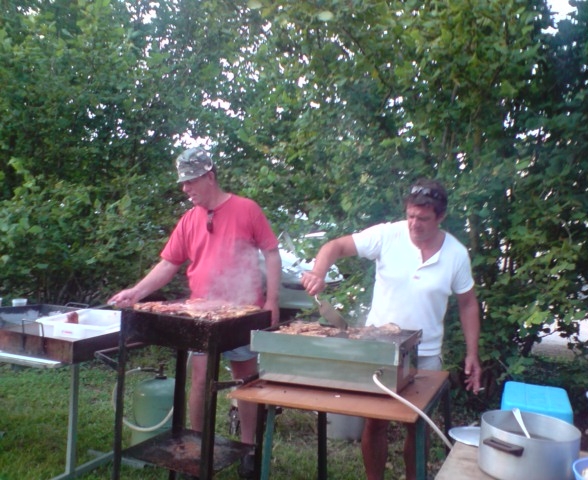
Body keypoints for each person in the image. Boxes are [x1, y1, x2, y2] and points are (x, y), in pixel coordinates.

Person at [109, 147, 281, 478]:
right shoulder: (189, 220)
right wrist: (137, 292)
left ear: (209, 176)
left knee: (245, 379)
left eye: (190, 182)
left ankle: (250, 449)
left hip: (243, 310)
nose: (185, 189)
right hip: (201, 315)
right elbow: (168, 264)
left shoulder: (246, 209)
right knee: (200, 379)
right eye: (183, 183)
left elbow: (271, 253)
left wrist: (271, 301)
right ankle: (198, 447)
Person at [301, 178, 481, 480]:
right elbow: (335, 246)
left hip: (426, 354)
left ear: (440, 217)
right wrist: (318, 272)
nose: (414, 224)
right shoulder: (387, 236)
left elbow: (468, 304)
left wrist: (472, 353)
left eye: (423, 218)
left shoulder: (456, 254)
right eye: (410, 215)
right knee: (375, 423)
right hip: (380, 350)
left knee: (417, 426)